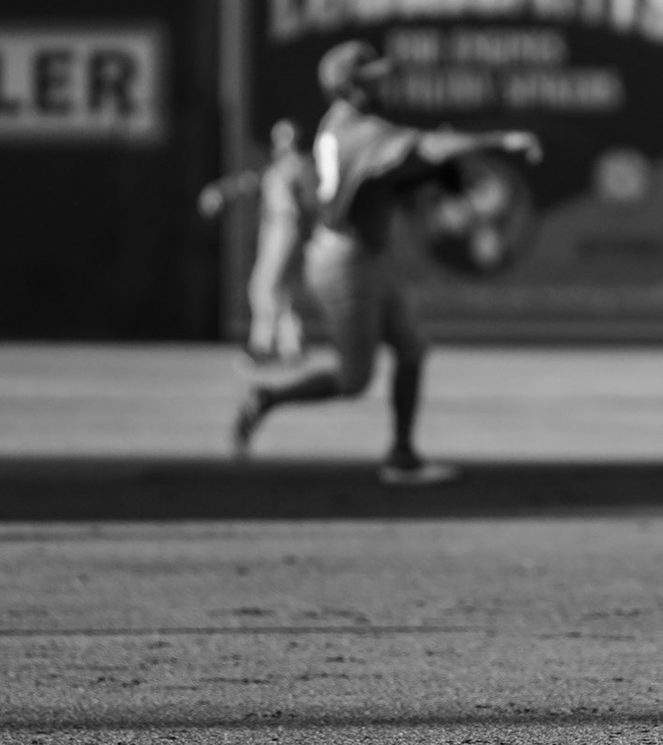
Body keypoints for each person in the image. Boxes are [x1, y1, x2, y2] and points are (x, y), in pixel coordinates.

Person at [230, 39, 543, 487]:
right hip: (345, 262)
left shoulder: (343, 126)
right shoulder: (360, 131)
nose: (383, 84)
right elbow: (427, 146)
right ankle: (267, 398)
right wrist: (501, 139)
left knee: (412, 349)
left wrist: (429, 173)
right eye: (372, 79)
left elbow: (392, 174)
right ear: (349, 87)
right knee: (353, 380)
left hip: (364, 255)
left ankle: (402, 455)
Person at [198, 117, 320, 365]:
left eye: (283, 139)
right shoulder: (278, 167)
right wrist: (221, 191)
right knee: (281, 290)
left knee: (262, 286)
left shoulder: (298, 165)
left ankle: (262, 344)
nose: (278, 144)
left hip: (285, 228)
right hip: (277, 228)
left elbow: (311, 201)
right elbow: (250, 182)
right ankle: (292, 345)